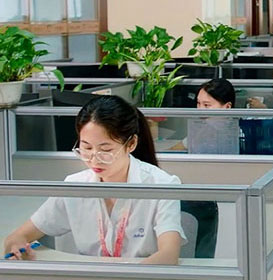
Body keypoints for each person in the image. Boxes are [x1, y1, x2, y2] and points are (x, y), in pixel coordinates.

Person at [3, 96, 185, 264]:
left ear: (131, 144)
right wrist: (16, 246)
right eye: (86, 148)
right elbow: (18, 236)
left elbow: (169, 255)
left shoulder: (162, 185)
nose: (94, 159)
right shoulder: (75, 186)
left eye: (106, 150)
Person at [185, 78, 236, 257]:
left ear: (227, 107)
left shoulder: (227, 134)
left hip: (212, 196)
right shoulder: (203, 126)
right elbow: (185, 144)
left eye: (207, 105)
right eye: (198, 104)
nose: (200, 110)